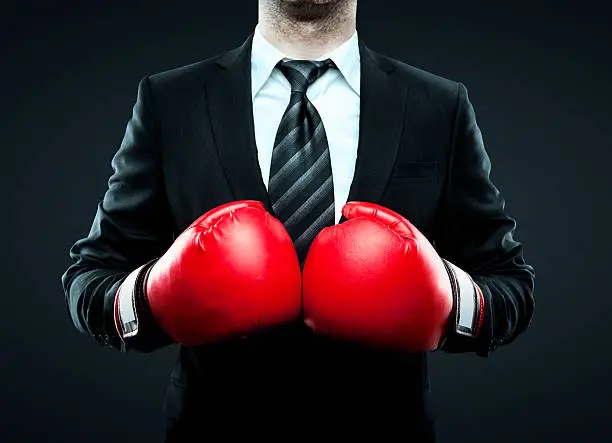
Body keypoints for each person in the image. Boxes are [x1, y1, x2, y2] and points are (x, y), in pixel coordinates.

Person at [61, 0, 535, 441]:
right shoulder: (171, 101)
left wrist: (449, 298)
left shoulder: (438, 106)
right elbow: (91, 276)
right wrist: (154, 294)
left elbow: (509, 282)